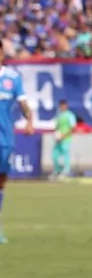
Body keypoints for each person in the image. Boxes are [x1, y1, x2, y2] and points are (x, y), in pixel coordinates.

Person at [0, 48, 34, 243]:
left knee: (1, 182)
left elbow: (23, 104)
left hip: (5, 139)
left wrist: (29, 120)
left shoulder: (13, 78)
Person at [52, 99, 78, 178]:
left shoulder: (70, 115)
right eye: (61, 106)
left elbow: (73, 128)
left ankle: (66, 172)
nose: (62, 107)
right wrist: (56, 135)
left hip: (66, 139)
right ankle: (57, 171)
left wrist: (64, 135)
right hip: (58, 139)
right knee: (54, 155)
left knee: (65, 155)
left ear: (66, 106)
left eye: (63, 105)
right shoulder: (59, 115)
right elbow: (57, 127)